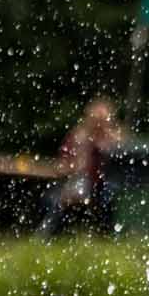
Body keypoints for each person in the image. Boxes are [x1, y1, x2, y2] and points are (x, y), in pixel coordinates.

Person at [43, 98, 121, 237]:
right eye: (96, 120)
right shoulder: (79, 137)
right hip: (80, 182)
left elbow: (120, 159)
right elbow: (65, 163)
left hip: (105, 185)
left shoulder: (114, 138)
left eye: (102, 120)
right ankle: (49, 235)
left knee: (108, 197)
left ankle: (108, 235)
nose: (99, 124)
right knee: (58, 199)